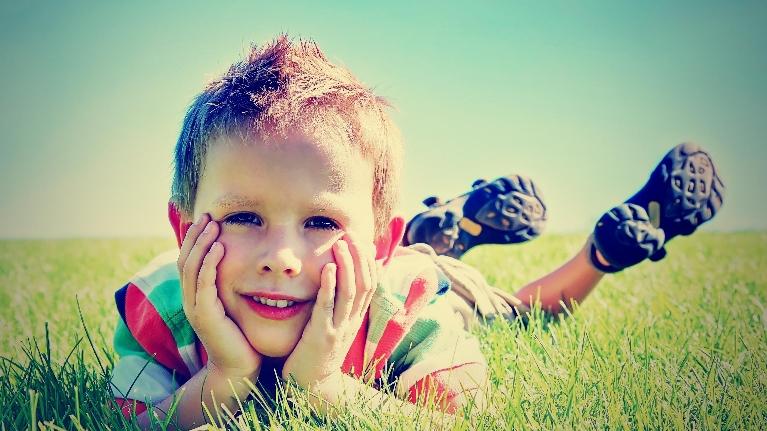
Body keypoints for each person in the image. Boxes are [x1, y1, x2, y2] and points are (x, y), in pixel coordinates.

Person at [109, 36, 725, 428]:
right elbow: (126, 419)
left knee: (515, 312)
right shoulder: (163, 306)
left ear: (376, 245)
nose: (282, 259)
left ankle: (601, 252)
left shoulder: (404, 307)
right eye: (245, 217)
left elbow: (465, 420)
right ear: (184, 226)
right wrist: (224, 376)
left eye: (320, 221)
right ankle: (443, 227)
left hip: (425, 280)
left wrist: (323, 387)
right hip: (385, 255)